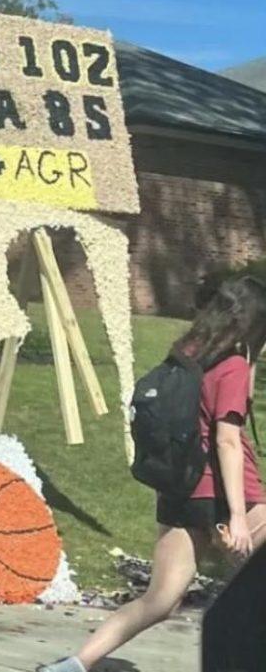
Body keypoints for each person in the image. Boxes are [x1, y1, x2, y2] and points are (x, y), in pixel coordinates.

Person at [38, 276, 266, 672]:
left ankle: (74, 664)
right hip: (230, 494)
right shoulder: (229, 366)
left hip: (180, 491)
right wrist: (236, 518)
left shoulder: (187, 353)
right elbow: (228, 441)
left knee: (159, 600)